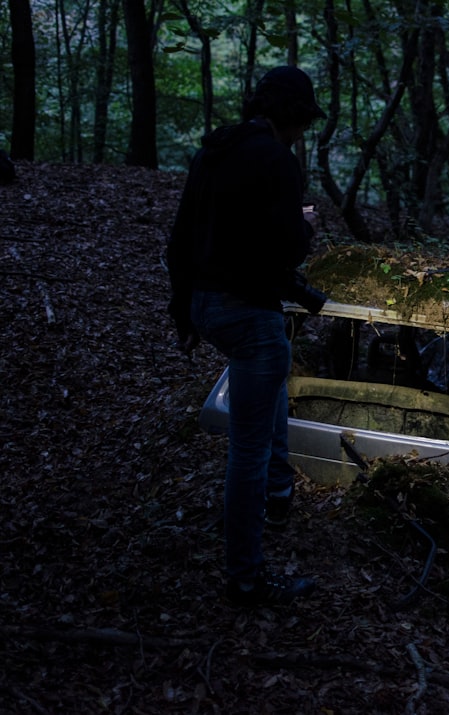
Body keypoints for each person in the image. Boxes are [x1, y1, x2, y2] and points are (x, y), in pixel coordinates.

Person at [167, 65, 328, 607]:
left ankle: (279, 495)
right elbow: (288, 247)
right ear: (294, 116)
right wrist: (307, 225)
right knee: (248, 449)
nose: (304, 132)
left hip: (207, 305)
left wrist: (184, 313)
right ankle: (246, 577)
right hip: (248, 315)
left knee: (270, 386)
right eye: (304, 121)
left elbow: (183, 237)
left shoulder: (212, 152)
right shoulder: (278, 161)